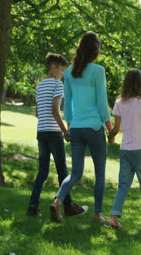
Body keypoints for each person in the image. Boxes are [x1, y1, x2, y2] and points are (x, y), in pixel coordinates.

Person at [50, 31, 113, 223]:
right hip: (94, 127)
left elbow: (67, 103)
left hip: (76, 127)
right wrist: (110, 128)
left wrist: (69, 127)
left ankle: (57, 202)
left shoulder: (68, 72)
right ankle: (97, 214)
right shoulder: (98, 71)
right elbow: (102, 103)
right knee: (100, 172)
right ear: (95, 51)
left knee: (75, 173)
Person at [27, 53, 88, 217]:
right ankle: (67, 206)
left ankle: (32, 207)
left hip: (41, 132)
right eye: (62, 71)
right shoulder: (58, 85)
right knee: (63, 171)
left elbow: (38, 112)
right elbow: (55, 109)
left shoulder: (40, 86)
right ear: (53, 68)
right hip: (54, 133)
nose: (63, 75)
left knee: (43, 171)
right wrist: (64, 131)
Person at [106, 69, 141, 229]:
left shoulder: (119, 103)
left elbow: (116, 129)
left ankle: (114, 218)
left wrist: (110, 136)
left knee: (123, 185)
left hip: (125, 150)